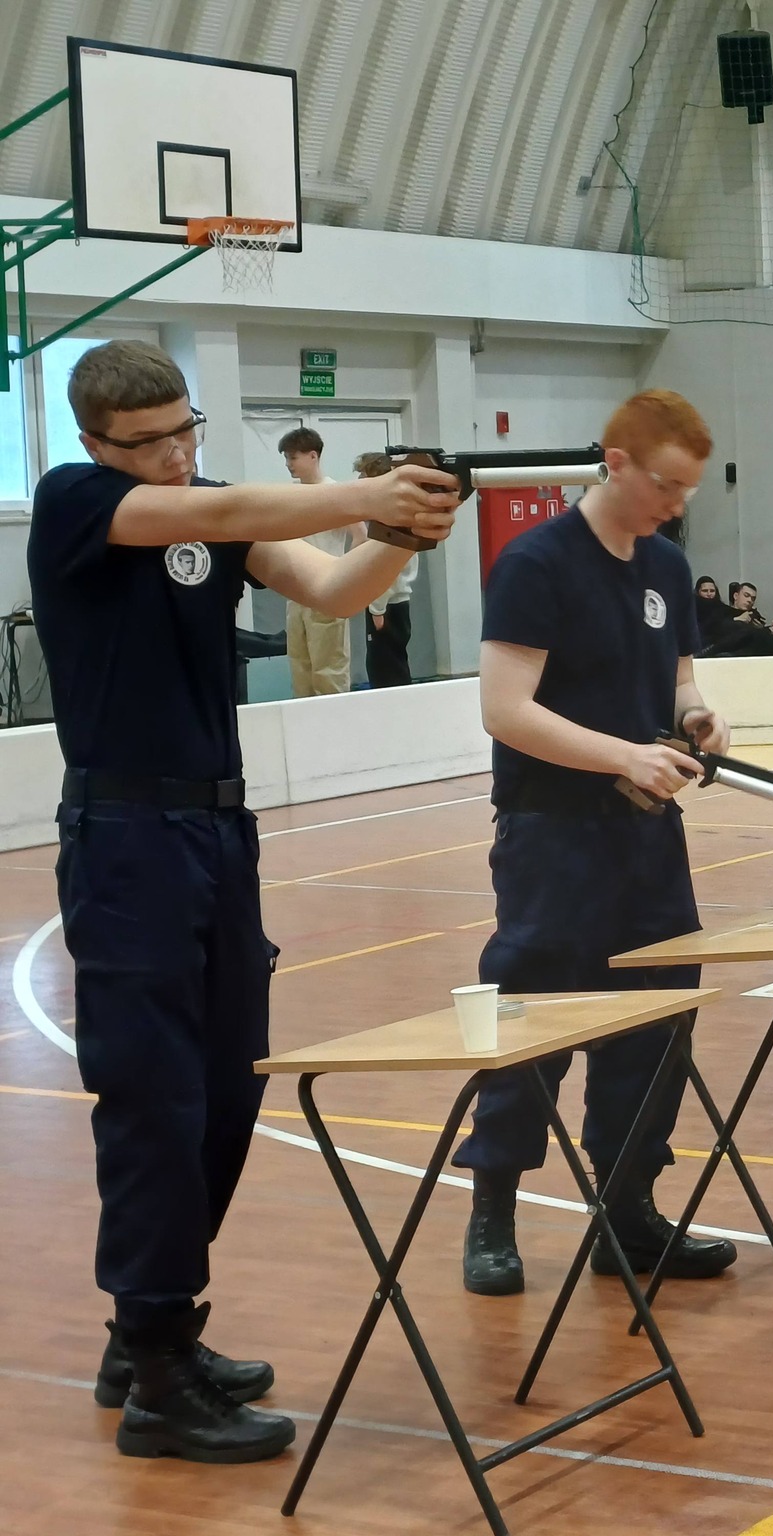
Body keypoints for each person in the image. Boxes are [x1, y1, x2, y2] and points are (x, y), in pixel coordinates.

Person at [28, 340, 457, 1462]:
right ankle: (159, 1373)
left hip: (219, 829)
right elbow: (210, 521)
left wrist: (393, 537)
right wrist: (360, 489)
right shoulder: (79, 503)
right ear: (95, 444)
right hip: (127, 836)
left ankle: (152, 1326)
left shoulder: (213, 508)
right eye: (150, 442)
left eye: (187, 430)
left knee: (224, 1090)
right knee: (153, 1100)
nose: (176, 455)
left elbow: (328, 586)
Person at [453, 390, 740, 1296]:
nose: (677, 503)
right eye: (666, 484)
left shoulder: (662, 564)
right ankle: (492, 1208)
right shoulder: (536, 564)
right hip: (554, 837)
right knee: (535, 1018)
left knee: (658, 1019)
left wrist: (693, 715)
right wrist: (621, 752)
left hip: (648, 835)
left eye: (688, 489)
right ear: (614, 463)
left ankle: (630, 1211)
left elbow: (679, 675)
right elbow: (506, 710)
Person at [278, 427, 358, 696]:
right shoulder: (292, 495)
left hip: (327, 591)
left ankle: (335, 731)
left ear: (313, 456)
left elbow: (362, 537)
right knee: (300, 669)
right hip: (296, 592)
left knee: (329, 672)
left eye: (293, 458)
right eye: (286, 458)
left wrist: (343, 577)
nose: (289, 464)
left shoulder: (335, 493)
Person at [354, 451, 416, 687]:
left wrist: (377, 608)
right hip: (392, 603)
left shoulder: (389, 523)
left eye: (363, 475)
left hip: (388, 605)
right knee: (389, 664)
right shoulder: (389, 518)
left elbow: (386, 569)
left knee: (386, 669)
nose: (359, 481)